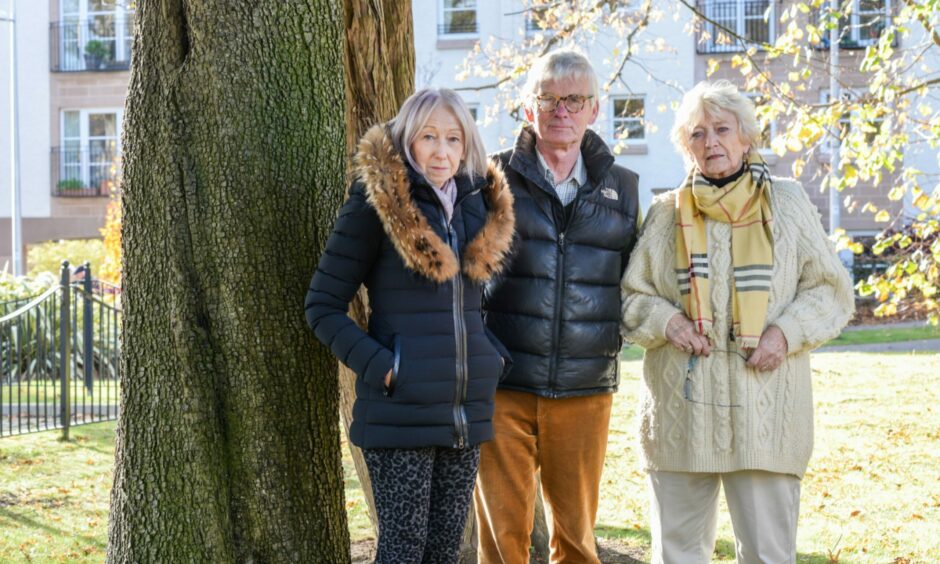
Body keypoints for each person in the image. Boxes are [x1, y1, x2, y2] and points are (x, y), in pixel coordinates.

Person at [620, 80, 855, 563]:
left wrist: (785, 333)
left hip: (764, 414)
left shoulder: (786, 204)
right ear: (686, 147)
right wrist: (669, 323)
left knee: (768, 555)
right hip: (681, 416)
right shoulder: (667, 214)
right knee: (678, 555)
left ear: (746, 137)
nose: (712, 143)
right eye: (697, 134)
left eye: (722, 129)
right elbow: (630, 298)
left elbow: (831, 291)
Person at [304, 88, 515, 563]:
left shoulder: (475, 205)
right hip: (400, 413)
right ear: (408, 140)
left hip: (464, 412)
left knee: (444, 551)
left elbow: (474, 305)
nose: (442, 151)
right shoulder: (378, 205)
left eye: (454, 139)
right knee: (403, 552)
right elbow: (322, 305)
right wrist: (386, 367)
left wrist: (489, 357)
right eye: (429, 137)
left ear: (466, 146)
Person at [475, 50, 640, 564]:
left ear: (594, 109)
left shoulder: (625, 189)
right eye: (548, 98)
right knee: (503, 543)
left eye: (574, 99)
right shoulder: (490, 178)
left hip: (585, 388)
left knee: (576, 541)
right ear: (529, 108)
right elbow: (465, 275)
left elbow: (636, 282)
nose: (560, 110)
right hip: (503, 383)